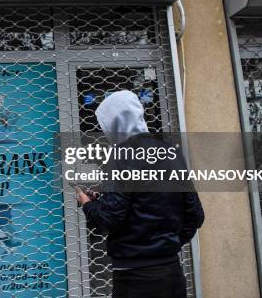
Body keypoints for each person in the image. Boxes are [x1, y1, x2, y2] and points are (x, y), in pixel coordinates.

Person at [76, 90, 204, 298]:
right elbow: (195, 214)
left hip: (135, 277)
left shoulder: (120, 157)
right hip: (171, 272)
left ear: (113, 123)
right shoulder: (170, 153)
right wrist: (166, 244)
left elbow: (109, 219)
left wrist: (87, 204)